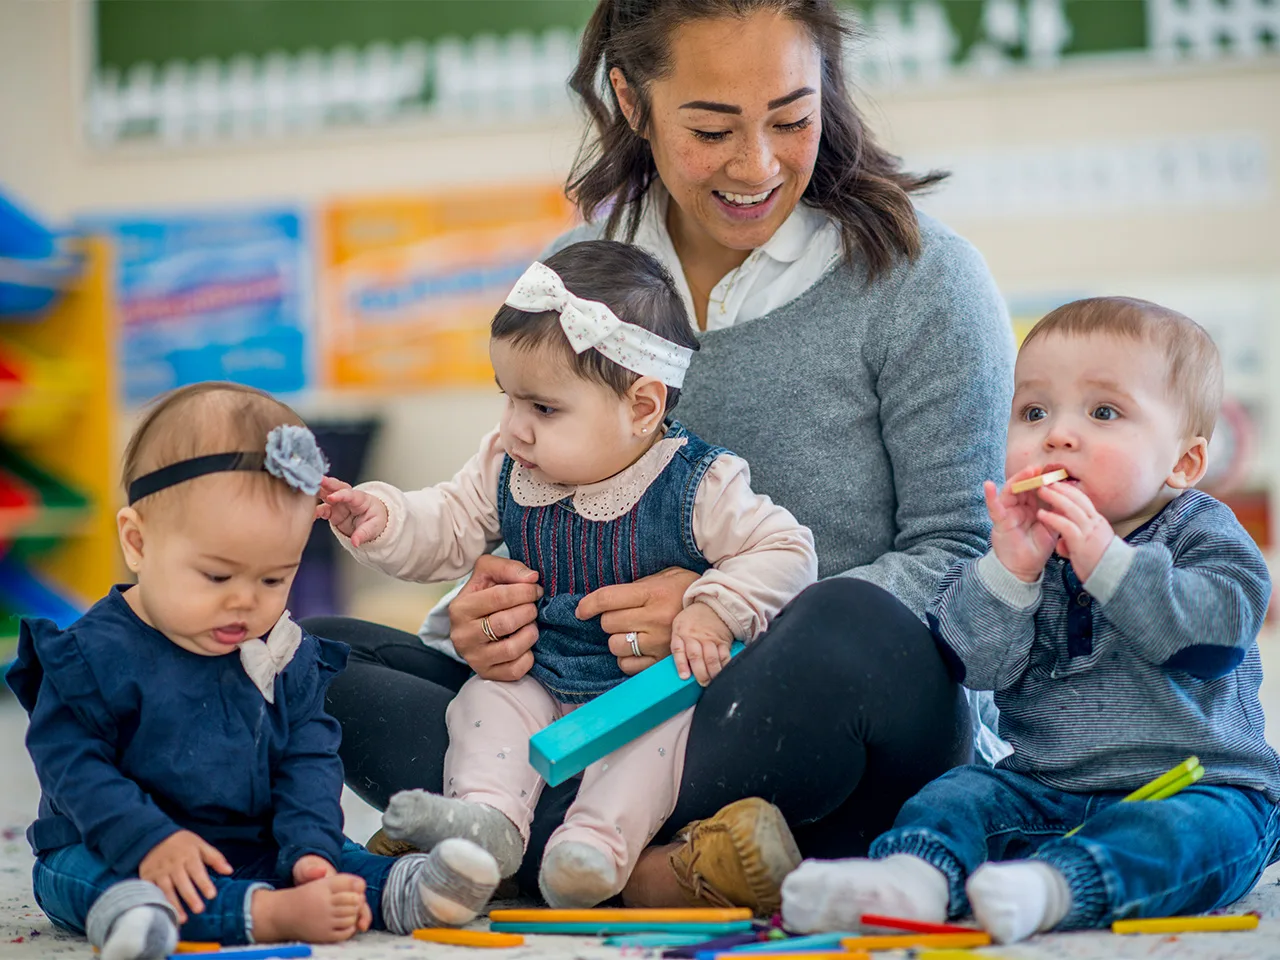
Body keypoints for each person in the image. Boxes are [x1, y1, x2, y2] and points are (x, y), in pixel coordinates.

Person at [310, 0, 1015, 913]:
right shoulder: (580, 276)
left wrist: (726, 610)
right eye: (712, 128)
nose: (757, 165)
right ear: (630, 100)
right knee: (310, 659)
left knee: (856, 631)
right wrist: (489, 614)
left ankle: (522, 849)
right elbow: (517, 498)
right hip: (581, 698)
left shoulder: (921, 280)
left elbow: (964, 561)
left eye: (793, 119)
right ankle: (666, 867)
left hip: (795, 711)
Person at [318, 240, 817, 909]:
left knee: (650, 756)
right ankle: (488, 823)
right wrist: (383, 517)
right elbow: (446, 523)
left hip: (646, 696)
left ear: (642, 407)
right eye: (509, 399)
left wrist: (712, 606)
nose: (515, 429)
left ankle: (594, 851)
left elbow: (785, 549)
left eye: (543, 409)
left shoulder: (698, 483)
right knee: (482, 707)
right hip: (535, 676)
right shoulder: (507, 465)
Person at [780, 297, 1280, 943]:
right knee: (959, 795)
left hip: (1200, 788)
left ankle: (1055, 889)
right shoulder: (1026, 544)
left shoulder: (1201, 531)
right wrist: (1010, 571)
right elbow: (976, 666)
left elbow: (1216, 636)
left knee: (1201, 839)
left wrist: (1108, 563)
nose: (1058, 434)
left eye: (1104, 413)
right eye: (1034, 411)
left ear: (1183, 463)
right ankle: (910, 881)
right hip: (1050, 788)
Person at [6, 383, 499, 960]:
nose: (245, 602)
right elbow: (75, 771)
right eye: (217, 577)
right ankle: (238, 914)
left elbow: (309, 758)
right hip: (119, 843)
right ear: (138, 543)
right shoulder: (88, 655)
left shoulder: (281, 648)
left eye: (273, 579)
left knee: (334, 857)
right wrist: (149, 841)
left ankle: (406, 891)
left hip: (254, 841)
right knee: (85, 880)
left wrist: (310, 848)